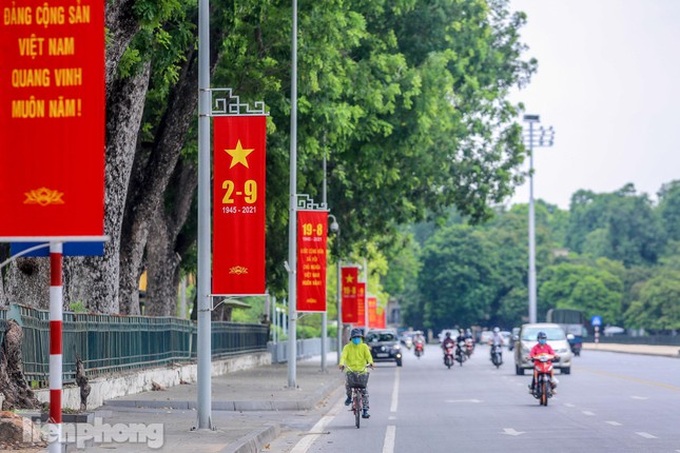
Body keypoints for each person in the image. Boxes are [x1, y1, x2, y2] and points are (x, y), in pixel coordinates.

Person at [339, 328, 374, 418]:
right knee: (348, 386)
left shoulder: (364, 347)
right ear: (351, 338)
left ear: (361, 337)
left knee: (364, 391)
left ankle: (365, 410)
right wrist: (341, 364)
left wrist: (370, 363)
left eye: (358, 337)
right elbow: (343, 357)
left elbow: (368, 356)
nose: (357, 339)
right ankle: (349, 397)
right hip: (351, 370)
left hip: (362, 371)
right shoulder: (347, 347)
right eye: (355, 337)